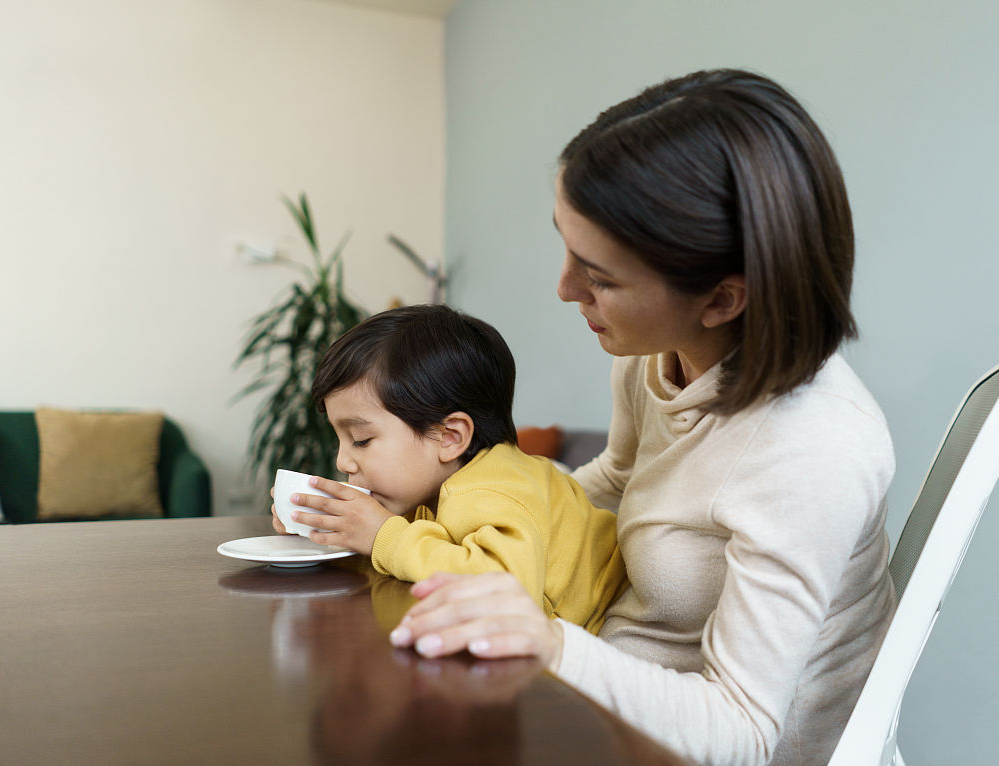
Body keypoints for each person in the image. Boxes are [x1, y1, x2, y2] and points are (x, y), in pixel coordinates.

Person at [386, 69, 898, 766]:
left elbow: (742, 734)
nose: (565, 288)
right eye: (567, 247)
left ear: (722, 300)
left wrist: (551, 641)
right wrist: (456, 504)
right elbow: (614, 479)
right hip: (607, 705)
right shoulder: (652, 358)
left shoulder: (814, 450)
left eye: (599, 277)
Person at [273, 304, 627, 634]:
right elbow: (419, 556)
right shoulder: (431, 489)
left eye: (361, 439)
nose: (342, 461)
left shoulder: (493, 488)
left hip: (609, 642)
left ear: (449, 438)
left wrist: (382, 535)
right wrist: (327, 529)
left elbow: (503, 591)